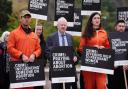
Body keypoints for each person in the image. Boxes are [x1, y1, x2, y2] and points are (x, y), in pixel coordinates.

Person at [7, 10, 41, 89]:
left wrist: (34, 54)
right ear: (20, 19)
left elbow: (39, 49)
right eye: (25, 17)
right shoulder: (14, 33)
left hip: (30, 68)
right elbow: (10, 48)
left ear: (30, 20)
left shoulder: (34, 35)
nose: (26, 19)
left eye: (28, 17)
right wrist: (21, 55)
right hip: (18, 68)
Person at [78, 12, 110, 89]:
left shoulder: (104, 33)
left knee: (101, 86)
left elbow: (108, 47)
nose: (97, 20)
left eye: (98, 18)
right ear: (91, 21)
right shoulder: (86, 33)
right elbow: (81, 48)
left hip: (101, 65)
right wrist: (92, 48)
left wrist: (104, 48)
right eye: (95, 18)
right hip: (89, 65)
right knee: (89, 86)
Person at [46, 17, 78, 89]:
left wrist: (75, 57)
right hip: (56, 70)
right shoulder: (51, 37)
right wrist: (56, 59)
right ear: (57, 26)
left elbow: (73, 52)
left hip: (68, 71)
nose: (63, 26)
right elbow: (47, 52)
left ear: (66, 26)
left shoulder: (70, 37)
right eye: (61, 25)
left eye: (64, 25)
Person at [107, 20, 127, 89]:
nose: (121, 28)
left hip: (125, 68)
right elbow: (107, 52)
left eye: (123, 26)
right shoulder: (109, 37)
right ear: (115, 27)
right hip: (113, 68)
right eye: (120, 26)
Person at [34, 25, 46, 89]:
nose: (39, 31)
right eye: (37, 29)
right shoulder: (31, 39)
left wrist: (44, 62)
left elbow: (44, 53)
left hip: (40, 65)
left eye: (40, 29)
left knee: (39, 84)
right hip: (32, 64)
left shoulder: (43, 41)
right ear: (34, 30)